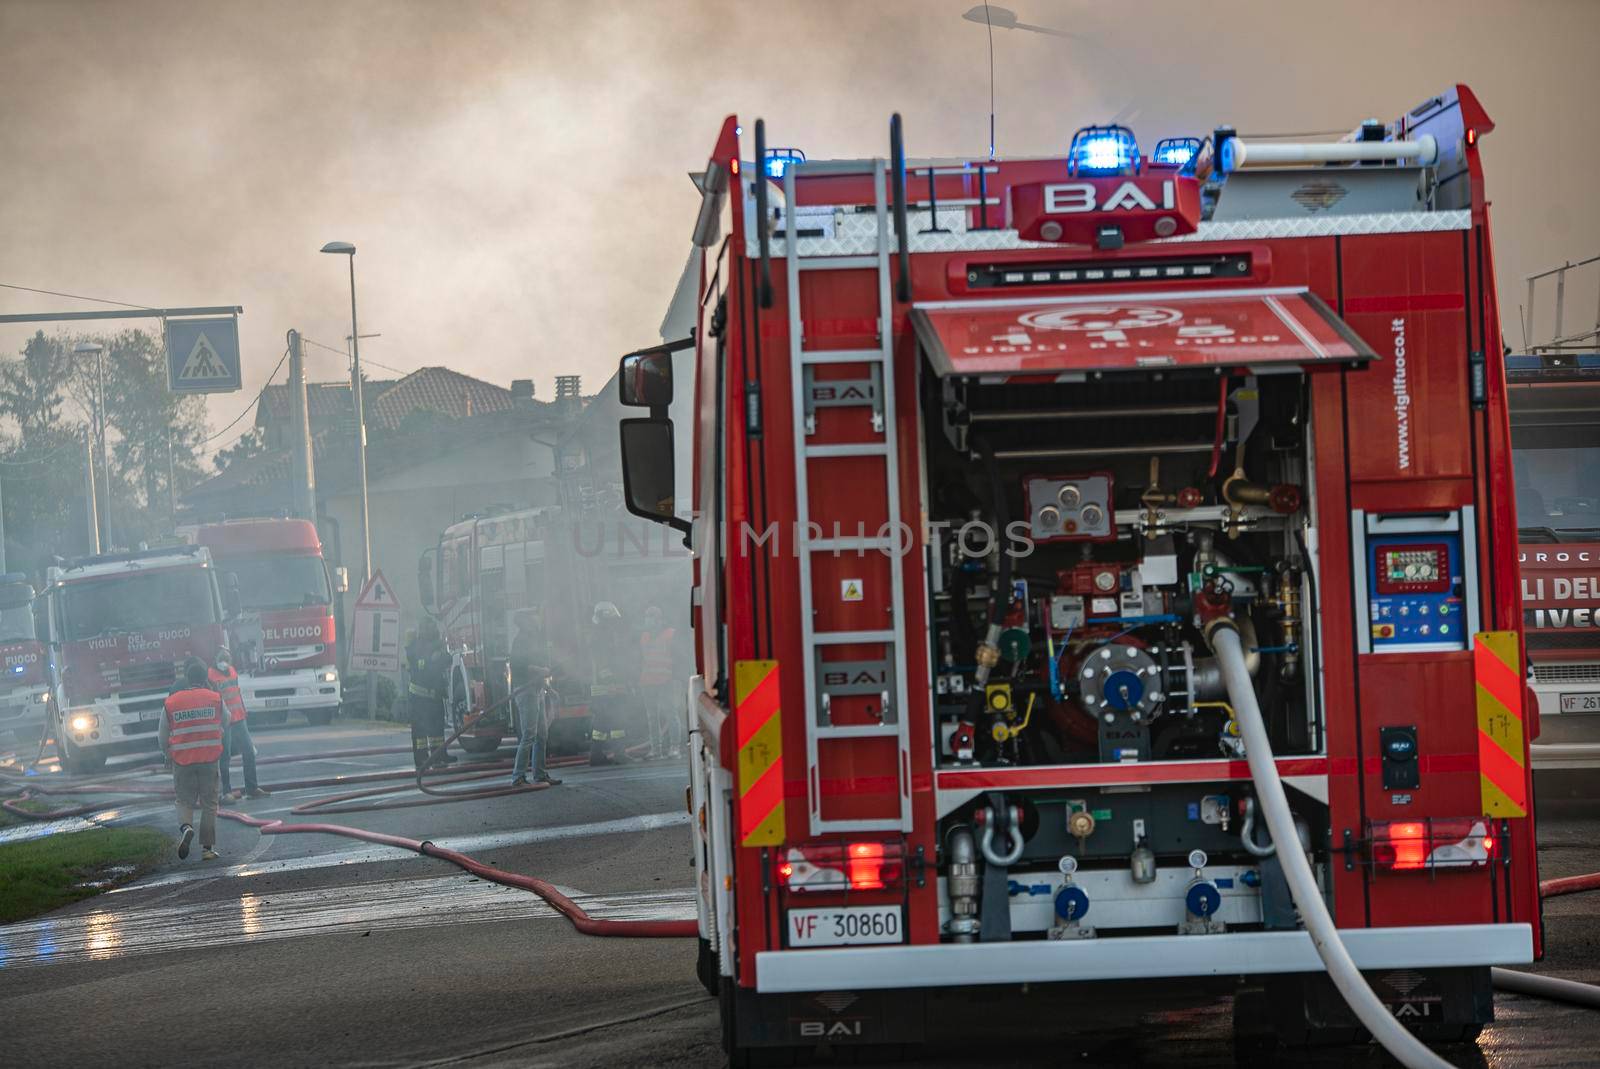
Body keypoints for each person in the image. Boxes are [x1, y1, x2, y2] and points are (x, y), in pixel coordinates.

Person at [159, 657, 225, 862]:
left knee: (184, 801)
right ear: (205, 678)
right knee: (209, 803)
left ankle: (186, 828)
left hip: (182, 760)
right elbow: (228, 720)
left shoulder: (172, 702)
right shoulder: (215, 698)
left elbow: (162, 734)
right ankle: (207, 849)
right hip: (209, 758)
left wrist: (167, 754)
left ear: (187, 679)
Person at [509, 609, 560, 788]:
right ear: (525, 623)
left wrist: (547, 687)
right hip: (526, 692)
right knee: (529, 735)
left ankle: (539, 774)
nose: (536, 623)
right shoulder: (521, 641)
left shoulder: (532, 640)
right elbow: (520, 666)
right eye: (532, 620)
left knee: (542, 735)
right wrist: (541, 671)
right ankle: (518, 777)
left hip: (537, 691)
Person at [212, 649, 269, 802]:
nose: (224, 663)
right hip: (224, 721)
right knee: (225, 758)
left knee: (249, 752)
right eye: (222, 659)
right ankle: (227, 792)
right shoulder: (210, 675)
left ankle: (252, 788)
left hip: (238, 718)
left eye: (227, 659)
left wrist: (243, 710)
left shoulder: (232, 671)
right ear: (216, 660)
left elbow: (237, 692)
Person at [404, 617, 455, 772]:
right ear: (424, 630)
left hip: (434, 695)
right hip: (420, 696)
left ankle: (439, 755)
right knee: (420, 730)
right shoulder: (417, 646)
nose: (434, 631)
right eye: (431, 628)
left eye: (434, 628)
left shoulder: (436, 645)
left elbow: (448, 659)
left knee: (437, 728)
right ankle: (421, 759)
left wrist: (439, 657)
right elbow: (421, 665)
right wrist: (433, 660)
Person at [588, 602, 633, 766]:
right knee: (617, 721)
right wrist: (612, 681)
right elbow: (604, 662)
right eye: (612, 619)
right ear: (605, 619)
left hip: (601, 688)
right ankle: (619, 754)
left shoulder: (598, 634)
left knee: (601, 724)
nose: (614, 623)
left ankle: (596, 755)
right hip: (609, 686)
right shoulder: (602, 635)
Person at [637, 605, 681, 758]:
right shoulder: (644, 637)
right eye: (647, 616)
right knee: (652, 717)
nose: (649, 620)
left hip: (666, 681)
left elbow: (678, 658)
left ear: (660, 620)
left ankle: (674, 748)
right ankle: (656, 750)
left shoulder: (671, 635)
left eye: (652, 617)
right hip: (647, 682)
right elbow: (640, 660)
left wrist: (676, 678)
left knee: (671, 714)